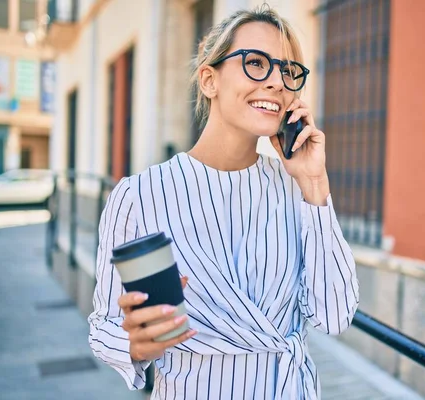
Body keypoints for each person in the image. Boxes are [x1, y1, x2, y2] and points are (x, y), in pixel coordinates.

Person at [88, 4, 359, 399]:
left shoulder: (295, 187)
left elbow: (335, 316)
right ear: (209, 80)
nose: (277, 83)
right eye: (255, 63)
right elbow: (104, 326)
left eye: (287, 71)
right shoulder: (140, 196)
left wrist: (315, 183)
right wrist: (135, 344)